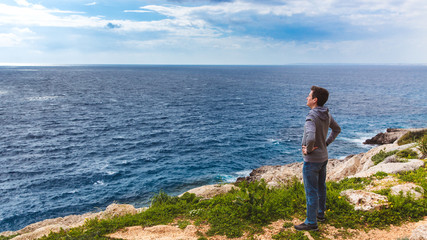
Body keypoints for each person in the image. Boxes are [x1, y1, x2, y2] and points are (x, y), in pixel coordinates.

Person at [294, 86, 341, 231]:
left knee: (311, 191)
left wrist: (307, 150)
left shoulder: (311, 117)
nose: (306, 98)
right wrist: (325, 144)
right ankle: (320, 214)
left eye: (309, 96)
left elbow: (311, 136)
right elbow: (337, 129)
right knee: (321, 187)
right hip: (323, 158)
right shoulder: (326, 114)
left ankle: (311, 222)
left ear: (315, 100)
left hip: (312, 161)